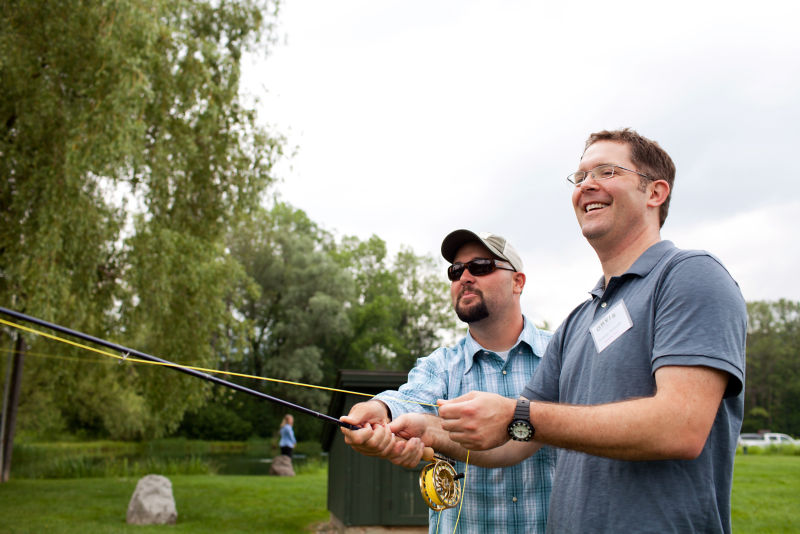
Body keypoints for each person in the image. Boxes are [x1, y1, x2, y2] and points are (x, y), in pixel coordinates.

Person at [395, 129, 747, 533]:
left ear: (655, 193)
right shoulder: (579, 321)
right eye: (579, 178)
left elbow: (681, 426)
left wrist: (516, 414)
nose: (587, 185)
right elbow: (515, 441)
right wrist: (431, 431)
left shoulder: (690, 275)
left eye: (607, 171)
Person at [340, 229, 555, 534]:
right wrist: (381, 410)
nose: (464, 277)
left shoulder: (564, 354)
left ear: (518, 282)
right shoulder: (438, 367)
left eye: (481, 266)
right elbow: (407, 400)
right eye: (456, 271)